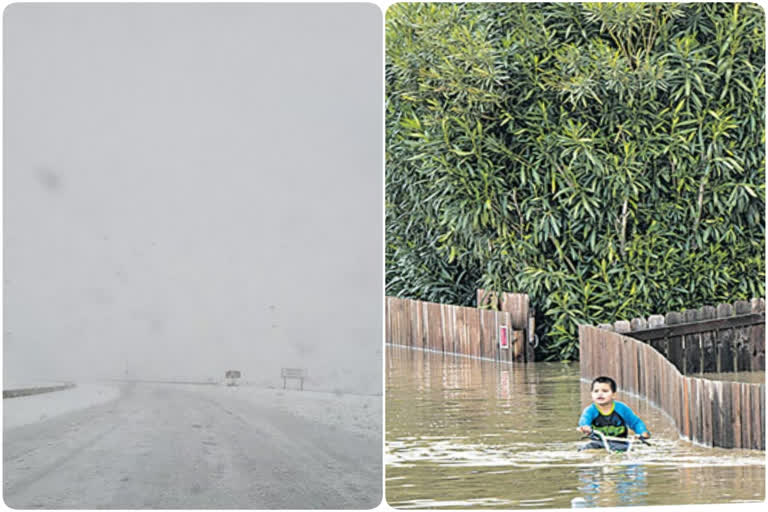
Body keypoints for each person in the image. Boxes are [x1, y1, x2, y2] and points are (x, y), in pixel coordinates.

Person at [577, 376, 650, 451]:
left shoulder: (622, 408)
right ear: (591, 394)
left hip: (621, 442)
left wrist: (642, 432)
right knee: (584, 450)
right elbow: (584, 421)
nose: (600, 394)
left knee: (633, 451)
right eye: (596, 391)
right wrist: (585, 428)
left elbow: (636, 422)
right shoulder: (590, 410)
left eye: (605, 391)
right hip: (598, 442)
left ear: (614, 394)